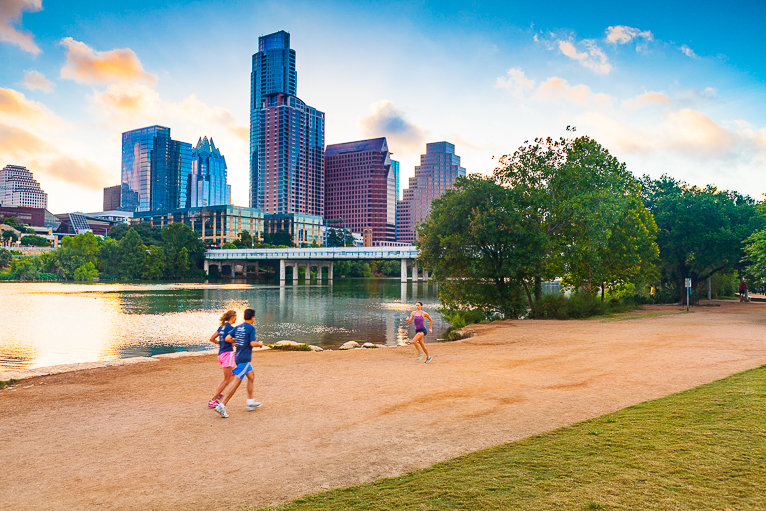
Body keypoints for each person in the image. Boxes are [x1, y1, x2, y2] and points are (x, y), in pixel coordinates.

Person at [215, 308, 263, 418]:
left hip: (238, 356)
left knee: (251, 377)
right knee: (237, 382)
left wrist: (237, 341)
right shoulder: (251, 328)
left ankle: (250, 402)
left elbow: (227, 338)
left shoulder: (238, 327)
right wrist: (260, 344)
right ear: (252, 318)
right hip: (244, 358)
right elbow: (252, 343)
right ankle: (221, 405)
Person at [207, 310, 237, 408]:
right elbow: (233, 341)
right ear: (232, 317)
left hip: (221, 354)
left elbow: (212, 338)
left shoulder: (221, 328)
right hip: (227, 355)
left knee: (234, 373)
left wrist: (219, 343)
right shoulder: (231, 329)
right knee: (227, 379)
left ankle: (219, 393)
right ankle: (212, 400)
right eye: (236, 316)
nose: (236, 318)